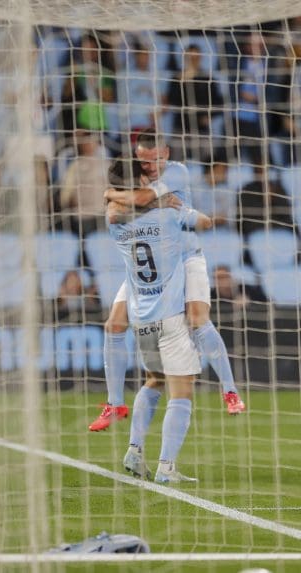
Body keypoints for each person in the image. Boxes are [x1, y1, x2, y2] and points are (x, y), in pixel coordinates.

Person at [90, 128, 245, 432]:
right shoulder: (142, 178)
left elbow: (142, 198)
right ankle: (115, 403)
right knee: (114, 324)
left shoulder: (177, 172)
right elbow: (116, 211)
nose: (150, 167)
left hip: (186, 258)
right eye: (144, 163)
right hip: (153, 260)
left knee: (198, 318)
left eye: (155, 161)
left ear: (167, 155)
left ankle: (230, 390)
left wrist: (112, 193)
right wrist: (121, 198)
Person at [105, 157, 210, 483]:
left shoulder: (115, 221)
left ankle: (135, 450)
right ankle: (166, 468)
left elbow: (119, 209)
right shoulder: (167, 216)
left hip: (141, 317)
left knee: (154, 380)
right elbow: (204, 223)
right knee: (182, 390)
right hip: (170, 314)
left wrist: (115, 194)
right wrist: (168, 203)